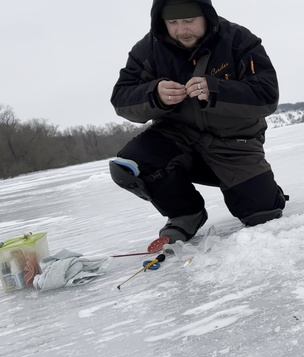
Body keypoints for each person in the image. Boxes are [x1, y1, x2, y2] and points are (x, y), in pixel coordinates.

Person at [109, 0, 288, 250]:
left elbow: (267, 96)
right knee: (129, 166)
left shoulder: (238, 40)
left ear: (206, 16)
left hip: (234, 144)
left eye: (189, 21)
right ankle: (185, 213)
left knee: (262, 214)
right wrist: (154, 94)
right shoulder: (147, 49)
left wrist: (216, 90)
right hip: (178, 139)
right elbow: (121, 99)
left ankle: (265, 190)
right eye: (173, 23)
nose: (182, 30)